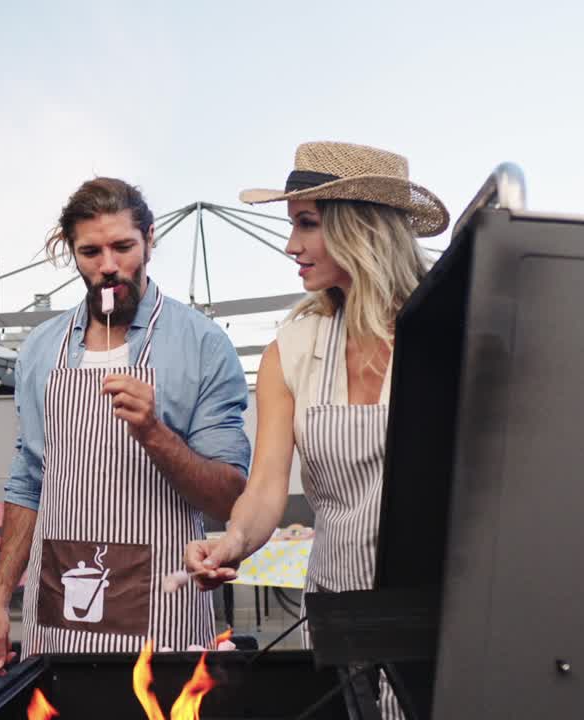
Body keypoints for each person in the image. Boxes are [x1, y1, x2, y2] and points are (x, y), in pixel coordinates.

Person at [182, 141, 450, 719]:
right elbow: (266, 489)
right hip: (340, 616)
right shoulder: (294, 351)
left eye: (306, 224)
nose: (290, 245)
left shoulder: (448, 332)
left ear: (361, 228)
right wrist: (232, 542)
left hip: (439, 614)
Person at [0, 177, 250, 672]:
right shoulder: (41, 348)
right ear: (71, 253)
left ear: (149, 238)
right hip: (63, 595)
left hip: (164, 599)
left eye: (123, 246)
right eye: (90, 252)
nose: (107, 267)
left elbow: (228, 495)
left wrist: (154, 432)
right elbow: (28, 481)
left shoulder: (202, 344)